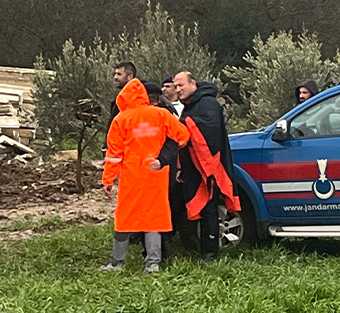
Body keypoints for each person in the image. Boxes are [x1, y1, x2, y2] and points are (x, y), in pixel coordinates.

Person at [100, 79, 189, 274]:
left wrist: (108, 180)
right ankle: (153, 264)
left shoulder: (121, 119)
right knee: (154, 219)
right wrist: (164, 157)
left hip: (132, 177)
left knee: (124, 219)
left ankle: (116, 264)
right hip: (156, 175)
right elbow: (182, 137)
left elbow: (114, 155)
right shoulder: (162, 115)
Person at [172, 71, 242, 261]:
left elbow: (210, 132)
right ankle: (199, 250)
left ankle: (210, 254)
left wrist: (184, 124)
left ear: (192, 83)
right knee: (200, 208)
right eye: (175, 86)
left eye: (181, 85)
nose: (178, 89)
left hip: (210, 168)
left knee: (210, 209)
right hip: (194, 168)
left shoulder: (208, 103)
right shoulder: (190, 105)